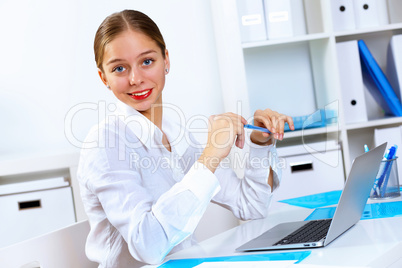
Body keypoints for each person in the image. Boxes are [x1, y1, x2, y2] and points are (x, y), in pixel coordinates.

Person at [77, 9, 294, 267]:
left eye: (147, 61)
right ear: (104, 77)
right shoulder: (104, 143)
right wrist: (211, 154)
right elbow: (149, 246)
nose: (135, 79)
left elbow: (252, 206)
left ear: (166, 60)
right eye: (120, 68)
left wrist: (260, 143)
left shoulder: (176, 132)